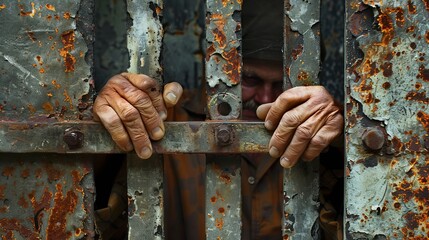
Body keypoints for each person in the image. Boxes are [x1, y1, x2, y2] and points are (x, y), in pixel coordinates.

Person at [93, 0, 344, 239]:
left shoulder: (318, 125)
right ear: (215, 69)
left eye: (281, 84)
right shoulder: (168, 122)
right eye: (250, 79)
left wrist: (344, 128)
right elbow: (97, 212)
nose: (266, 97)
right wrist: (108, 122)